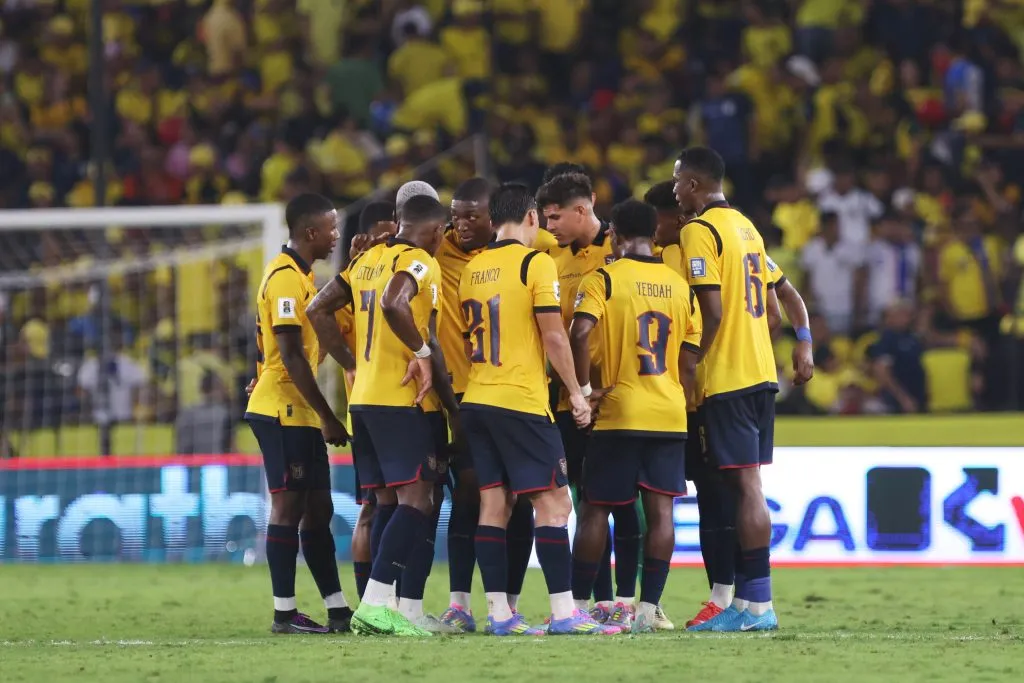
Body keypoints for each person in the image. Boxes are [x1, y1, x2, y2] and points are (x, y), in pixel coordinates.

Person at [458, 182, 615, 636]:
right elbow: (552, 334)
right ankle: (566, 614)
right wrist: (578, 394)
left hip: (477, 398)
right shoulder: (535, 263)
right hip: (520, 400)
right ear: (530, 218)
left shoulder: (474, 267)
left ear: (491, 222)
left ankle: (500, 615)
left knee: (494, 504)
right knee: (555, 503)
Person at [306, 195, 458, 636]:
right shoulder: (418, 262)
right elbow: (394, 303)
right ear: (435, 230)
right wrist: (423, 352)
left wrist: (351, 362)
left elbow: (318, 308)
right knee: (419, 499)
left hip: (364, 400)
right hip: (401, 399)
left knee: (388, 502)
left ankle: (389, 607)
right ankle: (375, 603)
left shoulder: (367, 259)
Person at [567, 199, 702, 633]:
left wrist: (585, 393)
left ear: (616, 236)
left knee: (594, 512)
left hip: (619, 411)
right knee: (661, 514)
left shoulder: (602, 279)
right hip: (668, 412)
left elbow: (579, 333)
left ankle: (578, 607)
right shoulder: (679, 284)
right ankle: (648, 608)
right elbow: (691, 351)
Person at [674, 147, 783, 632]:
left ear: (693, 184)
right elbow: (775, 311)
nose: (674, 190)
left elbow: (712, 311)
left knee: (746, 486)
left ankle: (758, 606)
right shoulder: (747, 227)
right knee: (745, 484)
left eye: (677, 181)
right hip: (760, 372)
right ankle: (744, 602)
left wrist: (695, 362)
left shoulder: (699, 230)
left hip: (729, 378)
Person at [536, 171, 645, 626]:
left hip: (617, 398)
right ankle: (598, 599)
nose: (551, 226)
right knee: (585, 501)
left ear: (584, 209)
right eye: (545, 218)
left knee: (626, 502)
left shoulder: (618, 253)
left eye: (556, 216)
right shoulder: (551, 259)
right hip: (568, 402)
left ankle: (626, 598)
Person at [244, 193, 353, 635]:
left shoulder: (306, 279)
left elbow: (304, 346)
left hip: (298, 409)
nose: (335, 236)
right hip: (283, 408)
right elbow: (289, 353)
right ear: (310, 233)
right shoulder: (285, 277)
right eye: (331, 229)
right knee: (288, 508)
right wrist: (329, 415)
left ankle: (338, 608)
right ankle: (284, 613)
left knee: (319, 510)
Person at [341, 201, 398, 600]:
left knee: (385, 506)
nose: (388, 239)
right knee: (378, 506)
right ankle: (371, 600)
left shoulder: (364, 276)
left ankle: (382, 598)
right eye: (382, 232)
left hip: (375, 403)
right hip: (376, 404)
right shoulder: (358, 279)